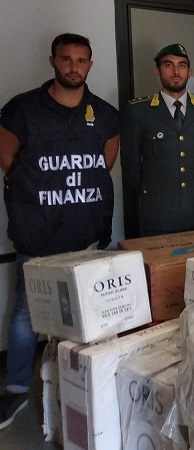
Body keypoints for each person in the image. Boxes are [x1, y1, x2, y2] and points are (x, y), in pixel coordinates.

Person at [0, 33, 119, 430]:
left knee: (84, 315)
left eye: (81, 60)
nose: (73, 67)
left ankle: (78, 384)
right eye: (66, 59)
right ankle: (16, 388)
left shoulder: (104, 114)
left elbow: (105, 163)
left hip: (85, 237)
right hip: (36, 235)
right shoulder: (22, 109)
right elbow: (7, 159)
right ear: (53, 61)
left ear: (90, 65)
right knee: (25, 312)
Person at [120, 43, 194, 237]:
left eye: (182, 65)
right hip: (158, 211)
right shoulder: (138, 110)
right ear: (157, 71)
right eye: (168, 65)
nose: (176, 71)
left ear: (189, 72)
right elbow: (130, 163)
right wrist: (152, 190)